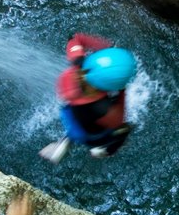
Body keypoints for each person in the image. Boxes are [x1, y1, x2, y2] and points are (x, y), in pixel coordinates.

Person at [39, 33, 136, 164]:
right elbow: (119, 119)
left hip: (69, 114)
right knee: (124, 129)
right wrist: (121, 90)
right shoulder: (103, 107)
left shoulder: (76, 70)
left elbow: (75, 38)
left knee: (76, 115)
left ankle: (68, 138)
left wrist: (103, 46)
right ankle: (103, 151)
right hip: (90, 136)